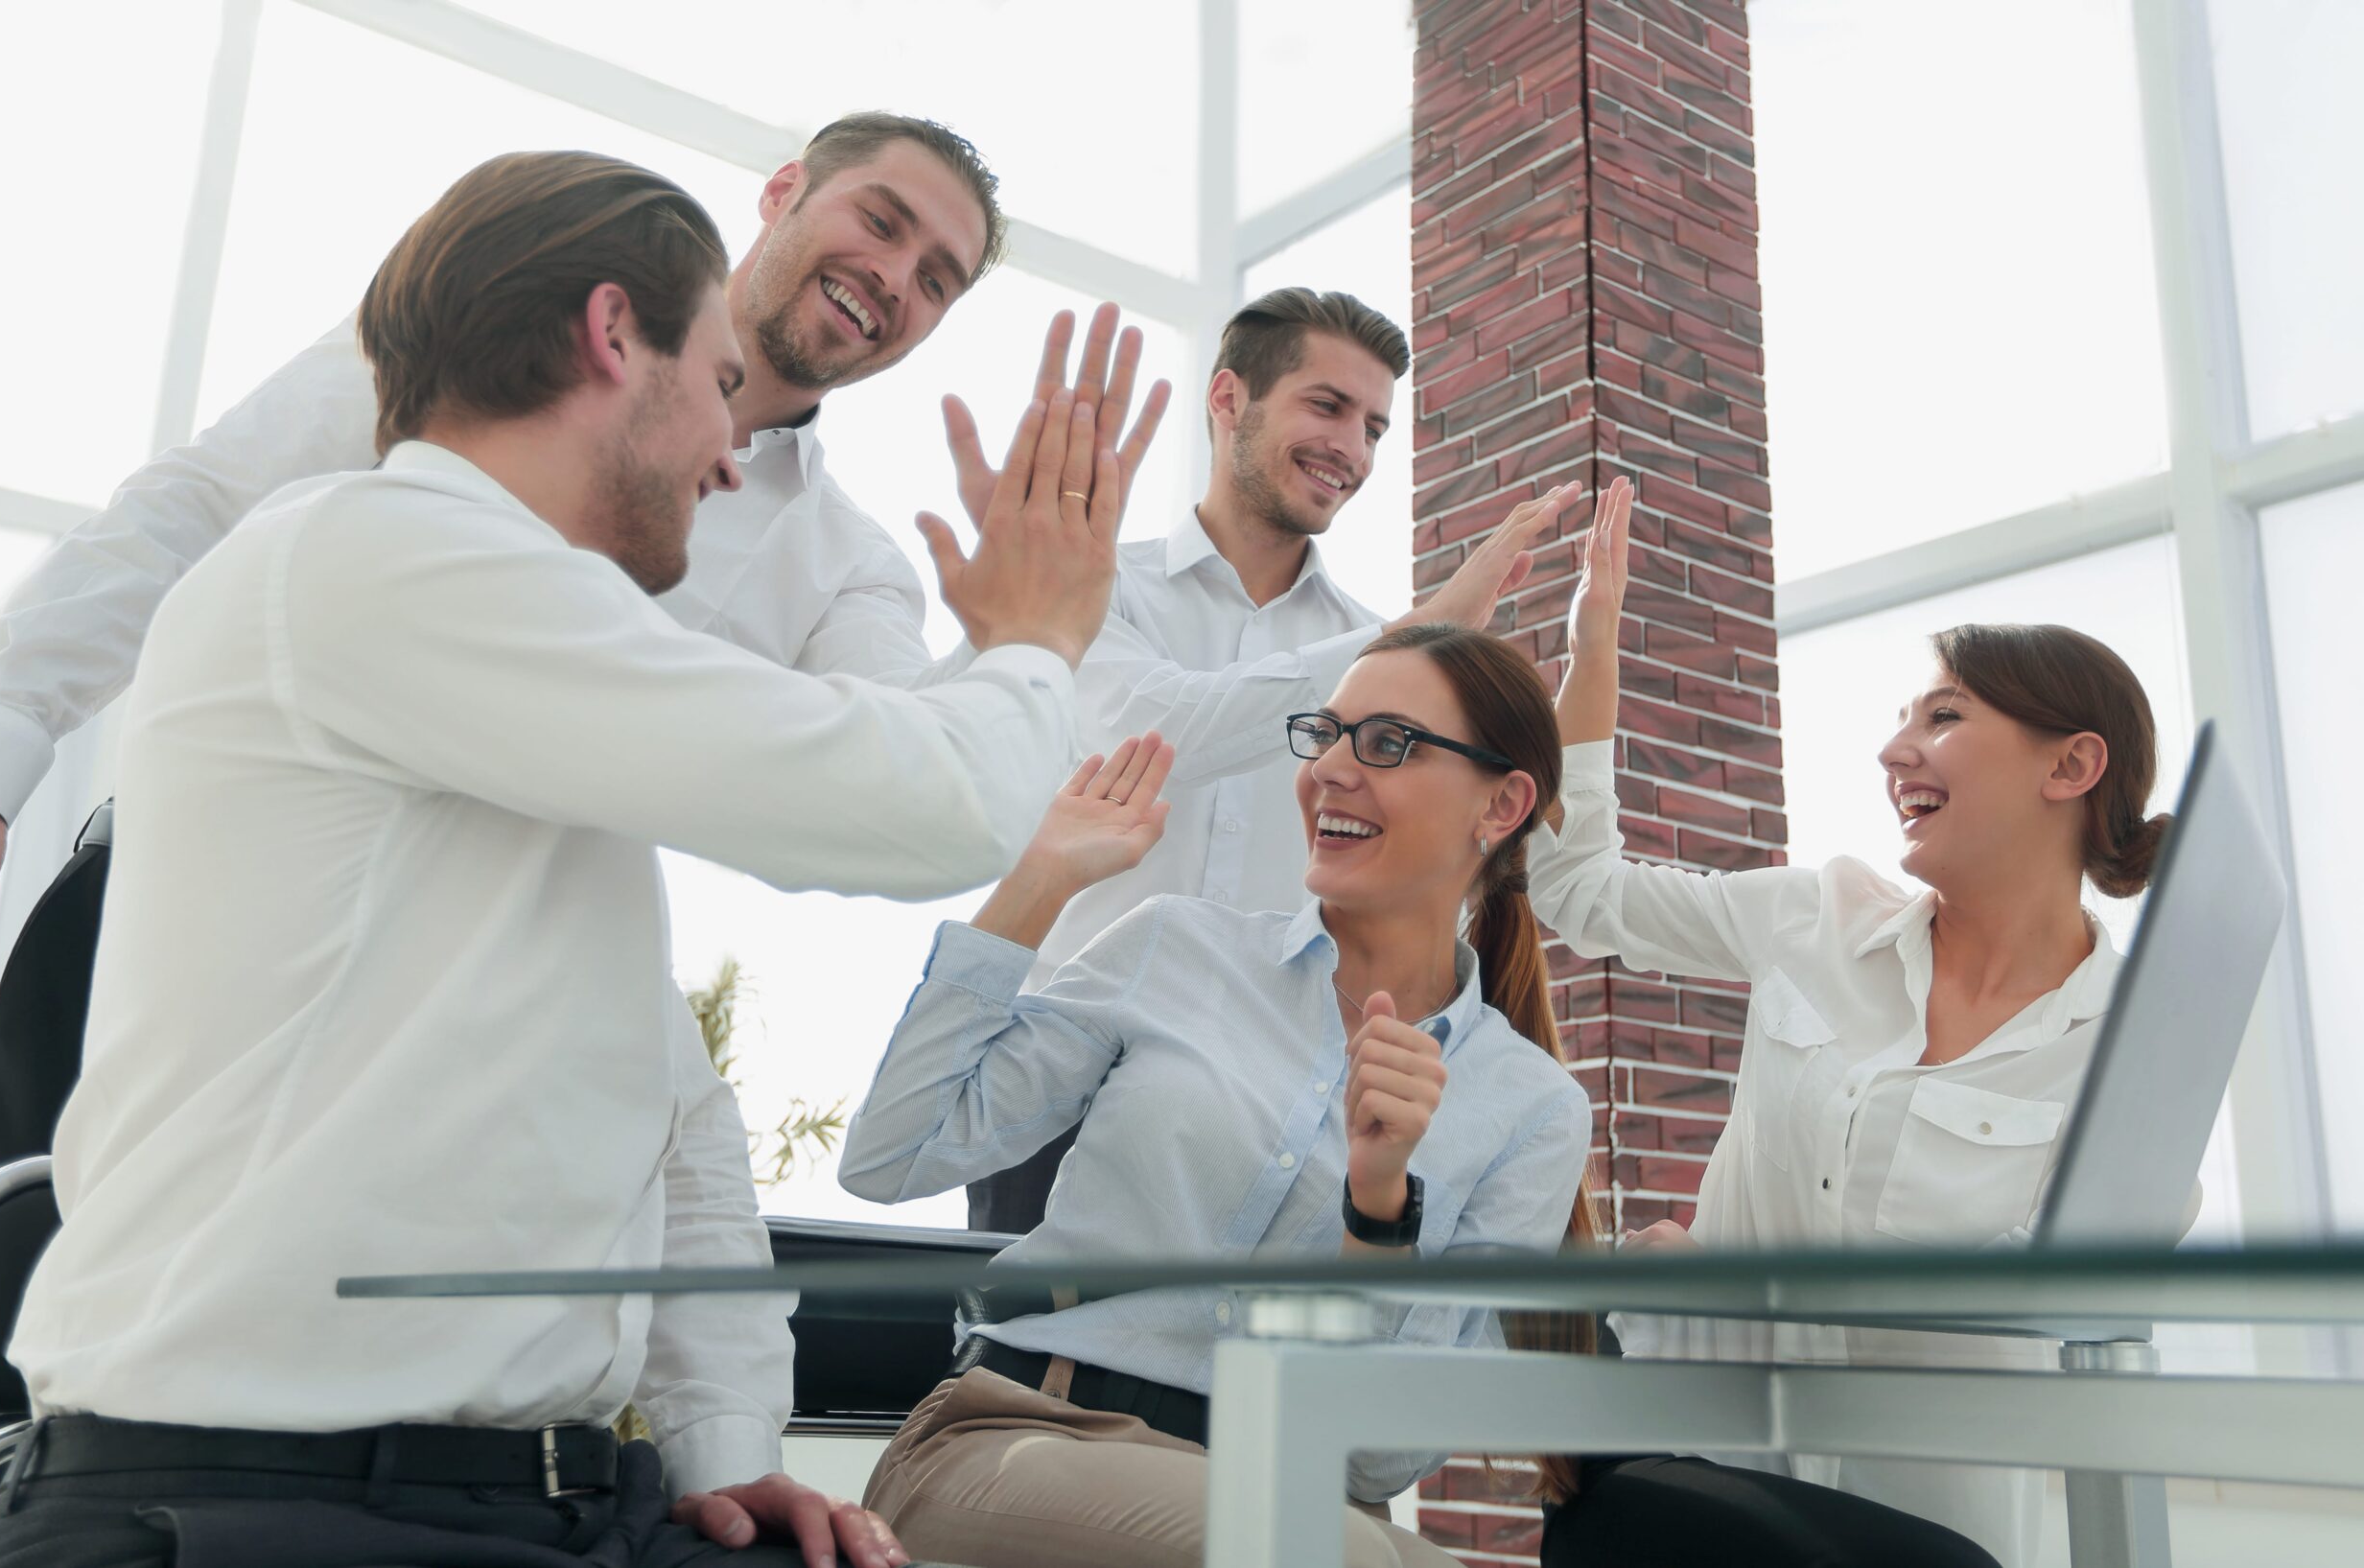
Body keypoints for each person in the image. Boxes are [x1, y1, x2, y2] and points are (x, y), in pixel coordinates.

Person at [0, 149, 1128, 1568]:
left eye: (941, 275)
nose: (727, 453)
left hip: (536, 1500)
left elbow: (677, 1094)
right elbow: (914, 792)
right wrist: (1036, 632)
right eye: (712, 393)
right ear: (614, 331)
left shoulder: (640, 690)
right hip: (251, 1500)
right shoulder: (380, 542)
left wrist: (727, 1457)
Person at [0, 110, 1169, 949]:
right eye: (882, 221)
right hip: (187, 905)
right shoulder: (507, 311)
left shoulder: (849, 564)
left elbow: (892, 767)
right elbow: (203, 502)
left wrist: (1027, 624)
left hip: (460, 992)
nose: (897, 276)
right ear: (785, 191)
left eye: (938, 276)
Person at [838, 616, 1599, 1568]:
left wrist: (1378, 1215)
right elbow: (891, 1154)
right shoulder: (1174, 947)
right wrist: (1038, 881)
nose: (1328, 769)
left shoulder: (1530, 1111)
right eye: (1322, 734)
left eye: (1387, 744)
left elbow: (1388, 1453)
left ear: (1502, 805)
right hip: (1020, 1441)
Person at [1524, 480, 2174, 1568]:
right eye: (1903, 718)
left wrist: (1733, 1286)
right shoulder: (1816, 916)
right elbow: (1579, 891)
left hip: (1912, 1533)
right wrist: (1593, 647)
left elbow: (2044, 1299)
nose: (1893, 751)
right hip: (1687, 1476)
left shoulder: (2122, 1058)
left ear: (2070, 765)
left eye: (1944, 716)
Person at [961, 287, 1572, 1231]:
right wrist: (1413, 634)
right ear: (1227, 400)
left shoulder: (1380, 665)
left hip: (1251, 1103)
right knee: (1013, 1369)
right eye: (1325, 407)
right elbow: (1161, 735)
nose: (1352, 450)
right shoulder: (1092, 586)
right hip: (1058, 1070)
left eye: (1373, 427)